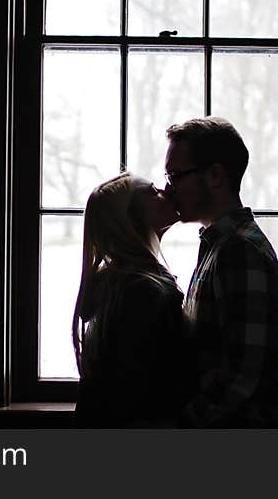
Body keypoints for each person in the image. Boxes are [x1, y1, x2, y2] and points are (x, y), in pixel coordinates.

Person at [163, 117, 278, 428]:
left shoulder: (238, 250)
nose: (168, 188)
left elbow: (240, 378)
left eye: (176, 175)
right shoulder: (219, 246)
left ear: (215, 175)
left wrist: (176, 427)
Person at [72, 172, 192, 427]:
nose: (167, 190)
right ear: (130, 219)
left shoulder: (118, 286)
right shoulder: (145, 292)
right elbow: (146, 396)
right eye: (152, 192)